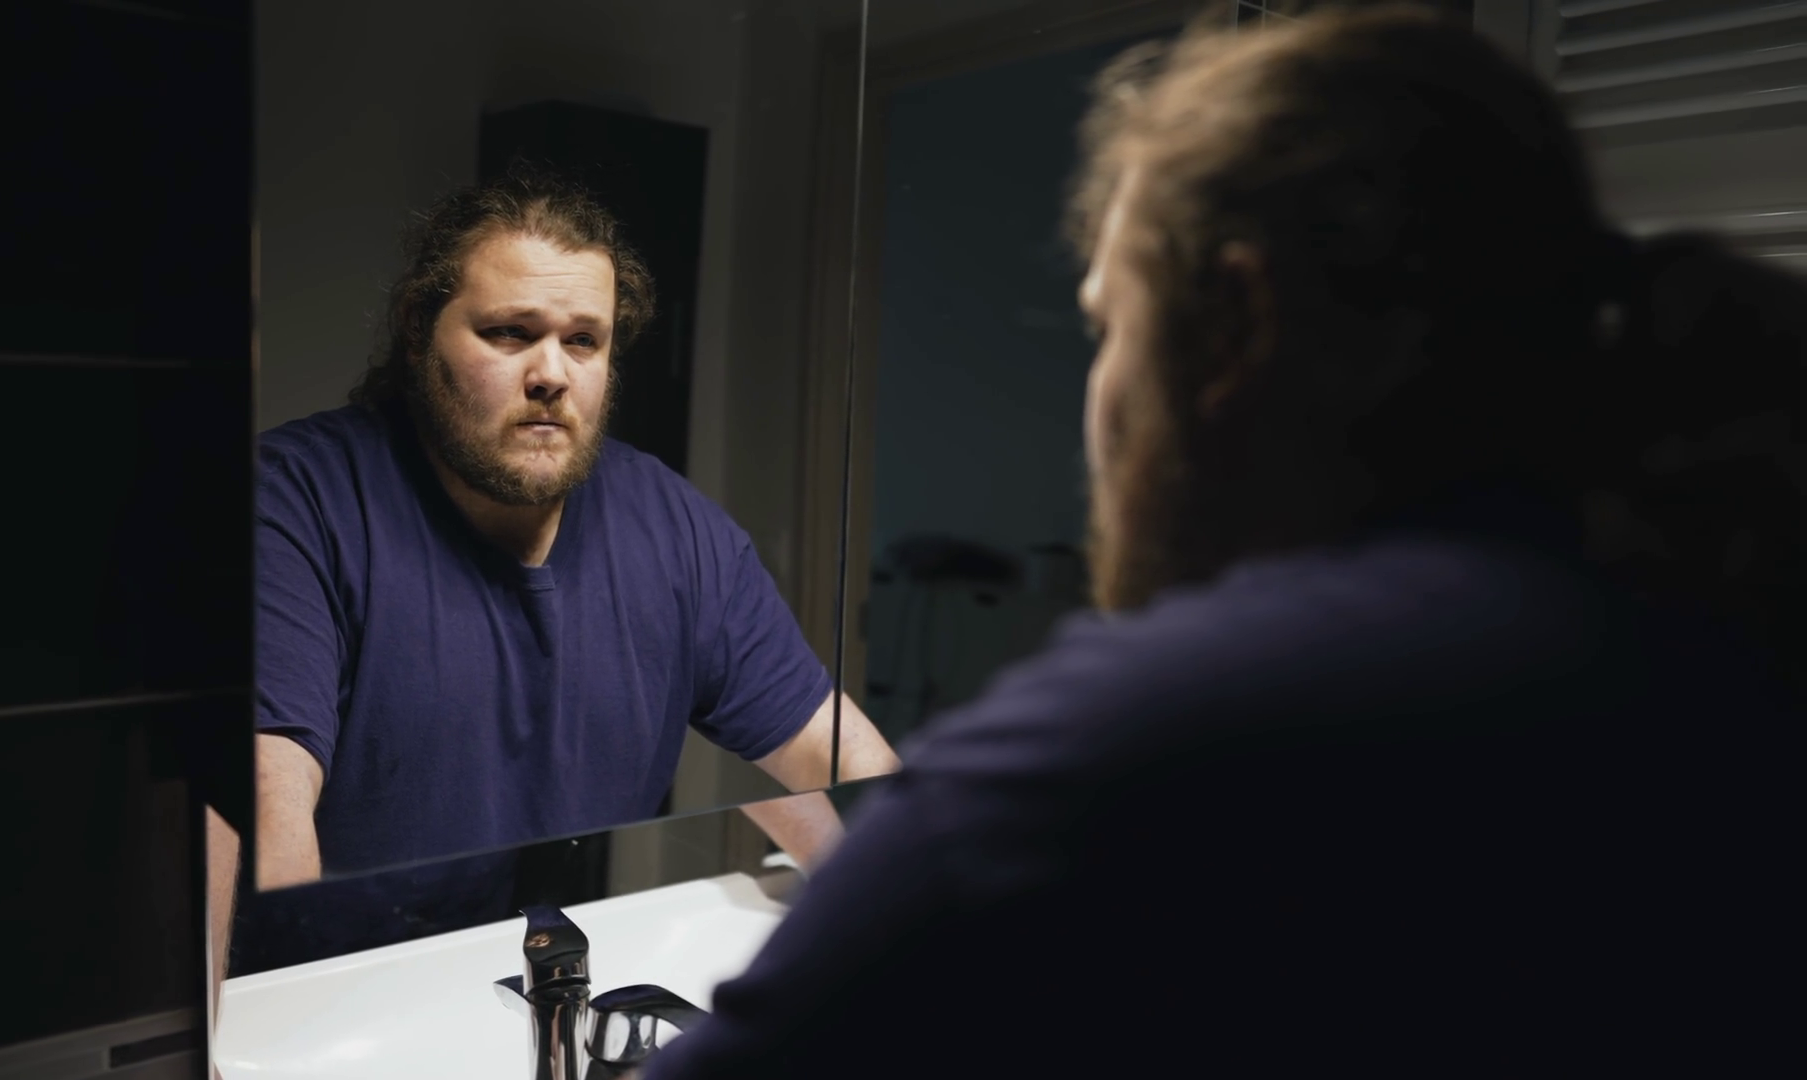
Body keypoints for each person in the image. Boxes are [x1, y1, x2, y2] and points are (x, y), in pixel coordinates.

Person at [644, 6, 1803, 1077]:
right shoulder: (1711, 627)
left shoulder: (1138, 745)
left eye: (1110, 325)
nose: (1097, 395)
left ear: (1238, 322)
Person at [207, 168, 899, 982]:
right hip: (326, 997)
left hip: (537, 973)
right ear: (419, 331)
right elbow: (268, 822)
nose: (551, 374)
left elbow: (832, 758)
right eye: (509, 333)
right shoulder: (296, 503)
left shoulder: (675, 529)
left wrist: (925, 920)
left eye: (583, 341)